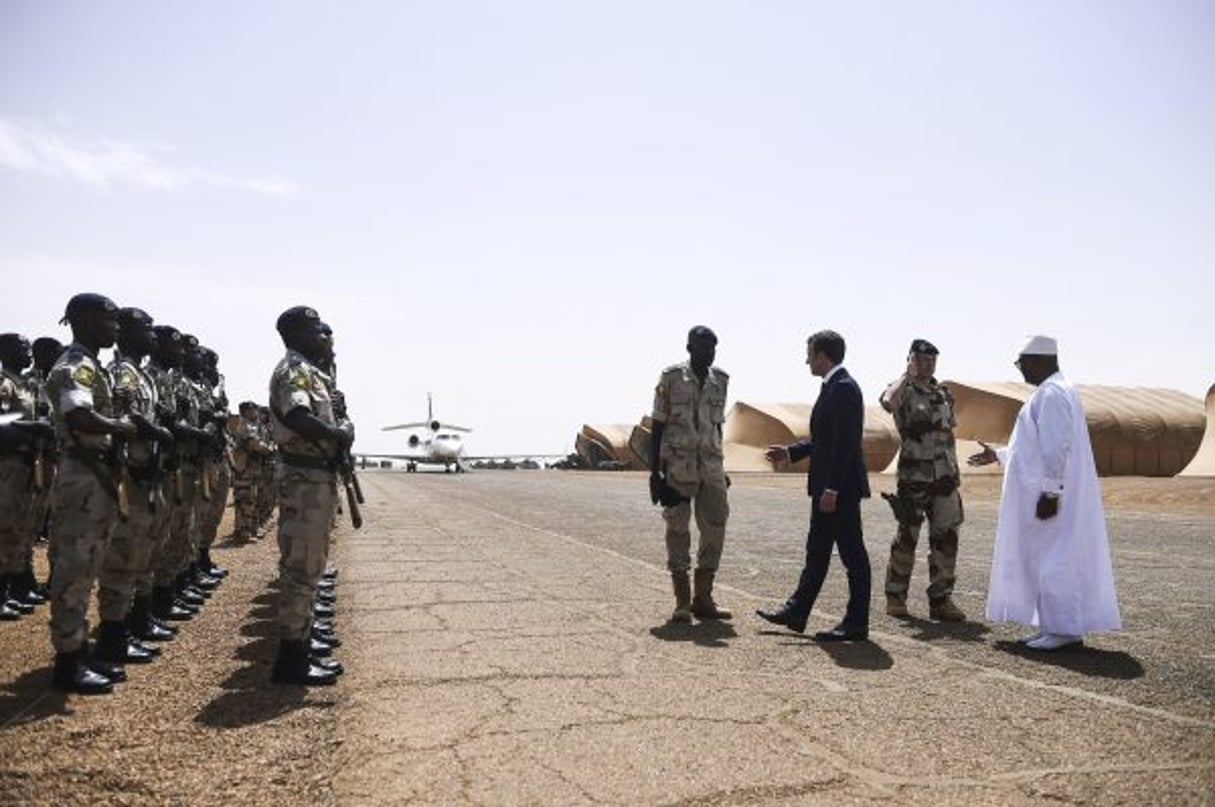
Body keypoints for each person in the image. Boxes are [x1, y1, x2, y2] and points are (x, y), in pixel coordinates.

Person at [968, 335, 1121, 650]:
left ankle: (1064, 630)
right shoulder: (1051, 392)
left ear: (1039, 360)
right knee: (1046, 557)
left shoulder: (1052, 393)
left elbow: (1055, 448)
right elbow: (1031, 449)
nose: (1020, 370)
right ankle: (1054, 625)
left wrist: (1051, 492)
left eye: (1021, 363)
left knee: (1055, 558)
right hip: (1042, 494)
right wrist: (998, 454)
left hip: (1048, 498)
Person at [45, 293, 138, 694]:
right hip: (83, 474)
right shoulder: (75, 366)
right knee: (76, 569)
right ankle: (69, 661)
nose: (114, 328)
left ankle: (82, 650)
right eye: (107, 320)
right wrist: (121, 427)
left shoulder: (93, 366)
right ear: (81, 320)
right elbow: (77, 415)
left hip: (97, 473)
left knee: (92, 563)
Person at [756, 329, 871, 641]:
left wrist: (832, 488)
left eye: (809, 353)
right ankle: (797, 610)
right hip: (826, 490)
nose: (806, 359)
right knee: (817, 553)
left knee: (853, 556)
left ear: (822, 355)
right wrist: (791, 452)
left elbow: (846, 444)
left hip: (839, 491)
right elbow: (824, 440)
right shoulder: (832, 386)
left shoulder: (844, 388)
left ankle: (856, 623)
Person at [268, 305, 350, 685]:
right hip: (303, 477)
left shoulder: (310, 373)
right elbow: (296, 417)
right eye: (316, 330)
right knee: (301, 567)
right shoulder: (294, 372)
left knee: (310, 564)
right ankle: (292, 659)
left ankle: (301, 640)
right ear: (298, 334)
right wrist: (335, 435)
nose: (324, 336)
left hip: (315, 476)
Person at [94, 307, 174, 665]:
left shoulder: (141, 375)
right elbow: (127, 417)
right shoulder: (121, 373)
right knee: (123, 557)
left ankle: (135, 621)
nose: (152, 337)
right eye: (146, 329)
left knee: (143, 552)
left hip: (149, 475)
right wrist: (156, 431)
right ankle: (113, 634)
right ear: (126, 333)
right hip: (128, 476)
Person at [878, 339, 966, 621]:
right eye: (921, 359)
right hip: (914, 478)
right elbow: (888, 403)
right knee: (907, 538)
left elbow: (948, 435)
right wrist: (906, 374)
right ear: (911, 360)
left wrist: (954, 475)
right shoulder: (902, 390)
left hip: (945, 479)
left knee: (946, 539)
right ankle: (896, 597)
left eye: (932, 360)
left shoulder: (944, 394)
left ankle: (941, 600)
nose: (928, 364)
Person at [649, 326, 731, 623]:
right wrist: (655, 474)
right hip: (677, 467)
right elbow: (657, 426)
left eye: (712, 347)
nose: (708, 353)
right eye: (702, 347)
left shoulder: (720, 381)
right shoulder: (671, 378)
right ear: (689, 347)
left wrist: (723, 469)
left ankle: (703, 598)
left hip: (711, 467)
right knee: (678, 529)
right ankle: (682, 601)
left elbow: (718, 426)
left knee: (716, 525)